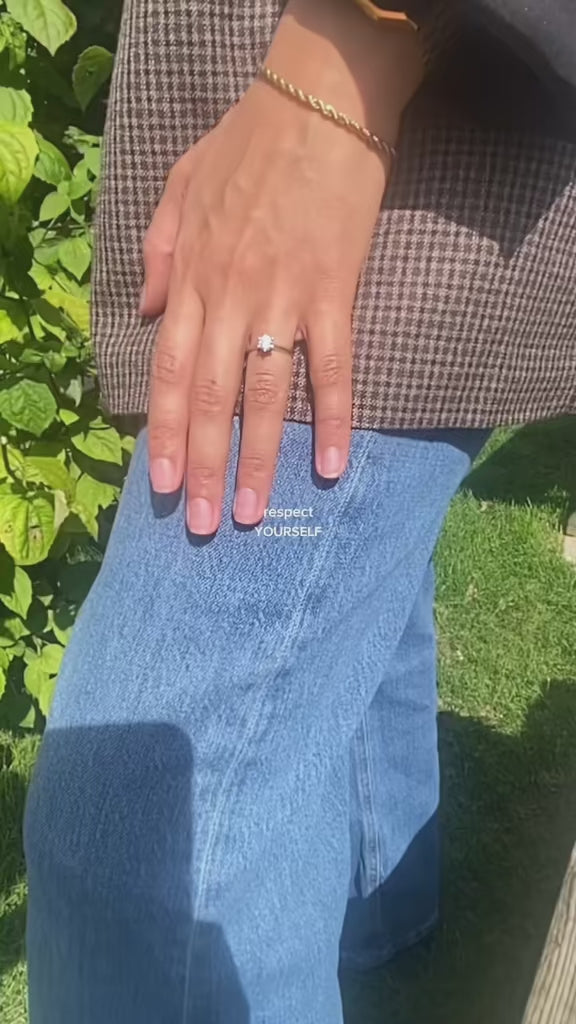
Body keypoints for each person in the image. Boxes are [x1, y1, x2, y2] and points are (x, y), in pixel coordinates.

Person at [23, 1, 575, 1021]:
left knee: (145, 843)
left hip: (365, 152)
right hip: (310, 138)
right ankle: (382, 916)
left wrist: (350, 50)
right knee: (338, 595)